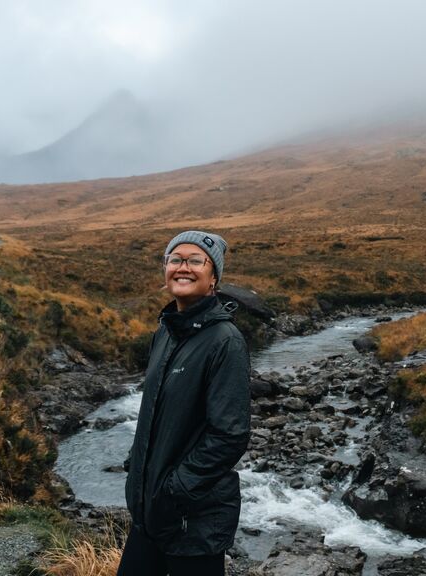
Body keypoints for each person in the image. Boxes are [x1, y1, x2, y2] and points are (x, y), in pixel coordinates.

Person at [119, 231, 251, 576]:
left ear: (213, 279)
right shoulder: (165, 331)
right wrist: (138, 467)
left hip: (193, 520)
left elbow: (230, 435)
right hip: (150, 513)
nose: (183, 267)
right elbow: (154, 414)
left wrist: (174, 491)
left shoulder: (225, 341)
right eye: (175, 259)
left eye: (196, 261)